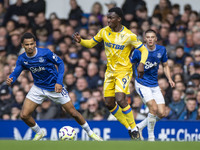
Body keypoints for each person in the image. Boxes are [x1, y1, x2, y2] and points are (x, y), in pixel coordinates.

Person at [6, 32, 103, 141]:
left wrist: (59, 82)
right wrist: (11, 79)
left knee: (73, 112)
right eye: (27, 45)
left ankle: (90, 133)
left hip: (54, 87)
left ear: (35, 44)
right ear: (22, 45)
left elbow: (60, 63)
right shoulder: (22, 58)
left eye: (31, 44)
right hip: (38, 87)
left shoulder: (45, 53)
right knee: (24, 115)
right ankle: (39, 132)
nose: (29, 47)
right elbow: (16, 71)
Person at [73, 7, 148, 140]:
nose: (108, 20)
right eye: (107, 17)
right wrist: (81, 41)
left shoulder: (129, 35)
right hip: (110, 72)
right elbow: (91, 43)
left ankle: (134, 127)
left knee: (120, 99)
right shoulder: (104, 32)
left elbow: (144, 50)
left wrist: (141, 64)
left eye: (111, 18)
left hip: (123, 72)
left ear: (119, 19)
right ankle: (130, 128)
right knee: (109, 103)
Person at [130, 29, 175, 141]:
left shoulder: (161, 50)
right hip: (142, 84)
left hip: (154, 85)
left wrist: (169, 79)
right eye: (148, 37)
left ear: (156, 39)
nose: (150, 39)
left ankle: (139, 127)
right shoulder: (138, 51)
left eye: (152, 37)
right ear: (145, 39)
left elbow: (165, 65)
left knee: (162, 113)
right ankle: (151, 137)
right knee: (153, 108)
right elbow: (128, 64)